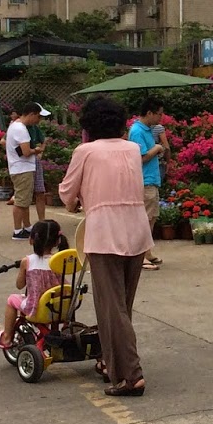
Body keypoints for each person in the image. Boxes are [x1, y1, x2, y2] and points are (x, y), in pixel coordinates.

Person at [60, 95, 150, 396]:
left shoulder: (85, 151)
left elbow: (66, 192)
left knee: (110, 307)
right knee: (122, 306)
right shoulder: (133, 148)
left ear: (88, 124)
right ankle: (108, 361)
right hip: (137, 230)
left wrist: (75, 202)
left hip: (105, 233)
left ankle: (130, 374)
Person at [0, 219, 67, 349]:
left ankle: (7, 337)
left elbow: (20, 285)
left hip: (36, 308)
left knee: (11, 300)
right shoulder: (59, 260)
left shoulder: (27, 261)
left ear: (32, 240)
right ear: (57, 241)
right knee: (49, 295)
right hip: (60, 308)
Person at [128, 102, 166, 271]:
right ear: (149, 112)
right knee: (145, 219)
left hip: (152, 178)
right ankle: (141, 254)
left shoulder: (147, 129)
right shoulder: (137, 131)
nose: (160, 118)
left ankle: (147, 251)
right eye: (159, 114)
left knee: (152, 217)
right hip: (144, 180)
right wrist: (157, 147)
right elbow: (140, 157)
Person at [5, 103, 41, 239]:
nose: (38, 120)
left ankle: (27, 226)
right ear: (31, 114)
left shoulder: (14, 126)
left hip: (18, 167)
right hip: (22, 168)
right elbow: (26, 152)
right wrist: (35, 150)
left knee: (24, 199)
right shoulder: (21, 129)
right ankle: (17, 230)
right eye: (37, 117)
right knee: (21, 200)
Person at [28, 104, 52, 223]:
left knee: (40, 191)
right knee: (25, 194)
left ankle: (42, 219)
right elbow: (4, 141)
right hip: (24, 163)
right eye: (38, 116)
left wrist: (40, 152)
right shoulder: (19, 127)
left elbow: (43, 141)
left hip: (34, 160)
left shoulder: (35, 128)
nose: (39, 120)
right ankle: (25, 224)